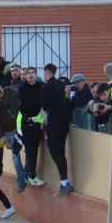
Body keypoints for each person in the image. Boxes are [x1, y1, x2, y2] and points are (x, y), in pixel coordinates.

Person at [41, 63, 74, 196]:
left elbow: (44, 105)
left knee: (56, 152)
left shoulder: (45, 87)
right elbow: (66, 103)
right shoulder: (62, 85)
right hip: (64, 123)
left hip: (53, 123)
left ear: (46, 72)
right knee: (60, 152)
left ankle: (64, 183)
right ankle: (64, 182)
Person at [18, 67, 45, 187]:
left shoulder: (42, 86)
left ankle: (30, 174)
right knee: (31, 150)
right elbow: (26, 107)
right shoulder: (22, 88)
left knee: (35, 148)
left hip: (39, 124)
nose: (30, 75)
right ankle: (32, 176)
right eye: (28, 73)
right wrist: (39, 105)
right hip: (27, 123)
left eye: (32, 73)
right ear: (25, 76)